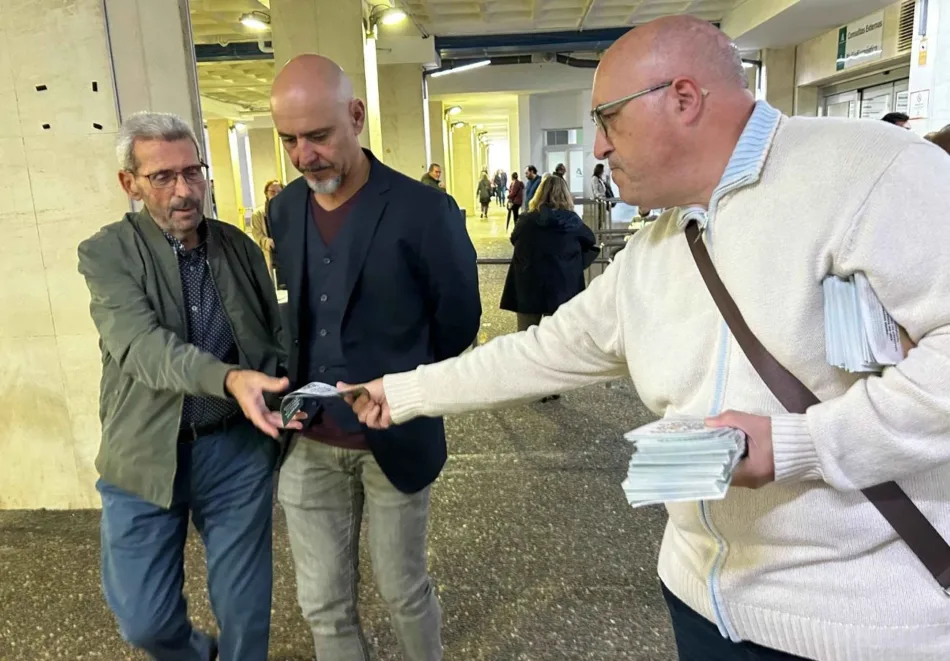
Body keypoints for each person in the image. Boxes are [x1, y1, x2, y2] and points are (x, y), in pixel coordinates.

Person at [340, 16, 950, 661]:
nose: (597, 147)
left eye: (608, 118)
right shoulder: (658, 246)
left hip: (866, 627)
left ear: (683, 99)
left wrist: (802, 444)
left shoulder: (872, 172)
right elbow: (544, 350)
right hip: (698, 603)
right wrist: (402, 391)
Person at [268, 54, 481, 661]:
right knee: (322, 604)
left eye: (318, 135)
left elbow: (457, 322)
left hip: (395, 438)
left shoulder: (423, 210)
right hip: (308, 440)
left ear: (356, 117)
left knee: (403, 590)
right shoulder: (284, 212)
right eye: (289, 140)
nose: (304, 154)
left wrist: (405, 384)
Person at [77, 112, 302, 661]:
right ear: (129, 183)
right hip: (144, 455)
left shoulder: (237, 246)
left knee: (245, 606)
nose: (184, 190)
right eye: (162, 177)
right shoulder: (106, 254)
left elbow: (273, 333)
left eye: (192, 172)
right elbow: (141, 347)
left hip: (235, 449)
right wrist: (226, 377)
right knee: (143, 619)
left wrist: (290, 396)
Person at [500, 172, 598, 334]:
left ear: (539, 193)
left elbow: (514, 239)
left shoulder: (526, 220)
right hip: (563, 287)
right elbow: (590, 240)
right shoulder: (572, 221)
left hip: (528, 285)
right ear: (566, 195)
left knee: (526, 339)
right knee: (559, 340)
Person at [249, 178, 284, 282]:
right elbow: (257, 234)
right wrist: (267, 241)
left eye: (279, 192)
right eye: (272, 192)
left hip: (287, 255)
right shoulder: (258, 214)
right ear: (266, 193)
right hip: (270, 254)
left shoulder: (288, 211)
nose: (276, 195)